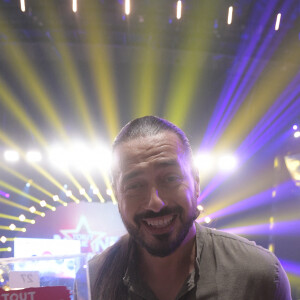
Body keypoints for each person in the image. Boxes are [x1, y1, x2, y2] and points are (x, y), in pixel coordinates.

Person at [88, 116, 291, 300]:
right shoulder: (94, 278)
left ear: (195, 182)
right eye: (135, 185)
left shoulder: (257, 275)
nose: (155, 202)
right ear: (117, 194)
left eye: (170, 178)